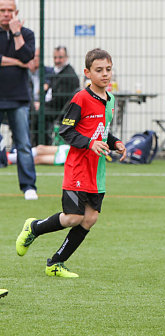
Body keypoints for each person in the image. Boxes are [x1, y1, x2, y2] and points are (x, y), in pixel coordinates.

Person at [15, 48, 126, 278]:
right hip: (78, 168)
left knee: (90, 218)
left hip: (97, 172)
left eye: (108, 69)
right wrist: (89, 144)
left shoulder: (111, 99)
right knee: (73, 217)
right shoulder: (81, 98)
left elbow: (102, 133)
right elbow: (66, 130)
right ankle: (33, 227)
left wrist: (115, 143)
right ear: (87, 73)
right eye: (99, 70)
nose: (105, 74)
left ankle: (55, 263)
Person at [0, 0, 38, 200]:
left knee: (23, 144)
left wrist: (16, 34)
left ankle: (29, 187)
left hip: (19, 98)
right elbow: (23, 61)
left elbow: (29, 59)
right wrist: (17, 62)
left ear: (16, 12)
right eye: (2, 10)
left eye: (9, 10)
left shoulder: (27, 33)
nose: (6, 14)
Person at [44, 45, 80, 144]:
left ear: (66, 58)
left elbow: (60, 100)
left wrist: (42, 105)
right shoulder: (58, 71)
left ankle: (40, 144)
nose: (57, 60)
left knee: (36, 114)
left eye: (60, 57)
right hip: (53, 107)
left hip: (59, 111)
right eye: (55, 57)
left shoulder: (68, 75)